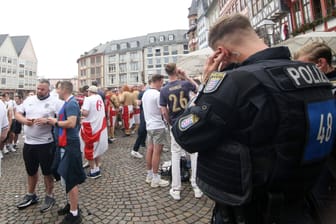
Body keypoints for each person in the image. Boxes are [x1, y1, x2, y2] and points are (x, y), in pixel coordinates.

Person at [172, 14, 336, 224]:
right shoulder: (315, 76)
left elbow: (184, 134)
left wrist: (206, 83)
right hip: (305, 203)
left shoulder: (238, 82)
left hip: (253, 211)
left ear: (221, 52)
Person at [15, 79, 60, 212]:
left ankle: (49, 195)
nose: (39, 91)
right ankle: (31, 195)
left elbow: (63, 119)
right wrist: (24, 120)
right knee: (31, 171)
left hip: (46, 143)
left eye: (42, 89)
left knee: (47, 172)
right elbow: (17, 113)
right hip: (29, 143)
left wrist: (48, 121)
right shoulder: (29, 100)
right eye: (38, 89)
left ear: (48, 90)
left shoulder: (54, 102)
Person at [160, 63, 202, 201]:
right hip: (189, 121)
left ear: (166, 73)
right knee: (194, 153)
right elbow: (198, 89)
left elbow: (164, 110)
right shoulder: (184, 84)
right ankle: (196, 185)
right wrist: (186, 77)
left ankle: (176, 188)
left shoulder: (164, 89)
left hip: (175, 123)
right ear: (176, 70)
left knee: (176, 154)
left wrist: (169, 122)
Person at [47, 81, 86, 224]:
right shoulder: (68, 103)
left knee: (71, 179)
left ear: (63, 89)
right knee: (65, 178)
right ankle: (71, 205)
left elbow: (71, 123)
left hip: (70, 145)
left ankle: (75, 214)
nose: (56, 91)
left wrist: (54, 122)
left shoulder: (71, 104)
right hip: (64, 144)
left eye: (57, 88)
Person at [143, 74, 169, 188]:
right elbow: (163, 111)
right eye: (162, 82)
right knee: (157, 152)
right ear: (157, 81)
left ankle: (149, 175)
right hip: (158, 125)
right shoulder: (157, 94)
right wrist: (169, 121)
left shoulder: (145, 94)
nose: (162, 84)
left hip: (149, 125)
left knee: (150, 149)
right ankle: (156, 179)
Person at [80, 85, 108, 178]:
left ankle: (94, 171)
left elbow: (86, 113)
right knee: (96, 148)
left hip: (90, 127)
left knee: (89, 149)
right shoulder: (99, 97)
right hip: (99, 125)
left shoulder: (88, 99)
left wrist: (80, 110)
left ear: (89, 91)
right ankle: (97, 165)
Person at [131, 83, 150, 159]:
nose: (137, 88)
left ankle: (141, 144)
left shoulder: (141, 93)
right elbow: (139, 103)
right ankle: (135, 149)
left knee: (143, 130)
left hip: (144, 113)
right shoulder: (142, 93)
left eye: (138, 87)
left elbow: (138, 104)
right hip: (145, 113)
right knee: (142, 130)